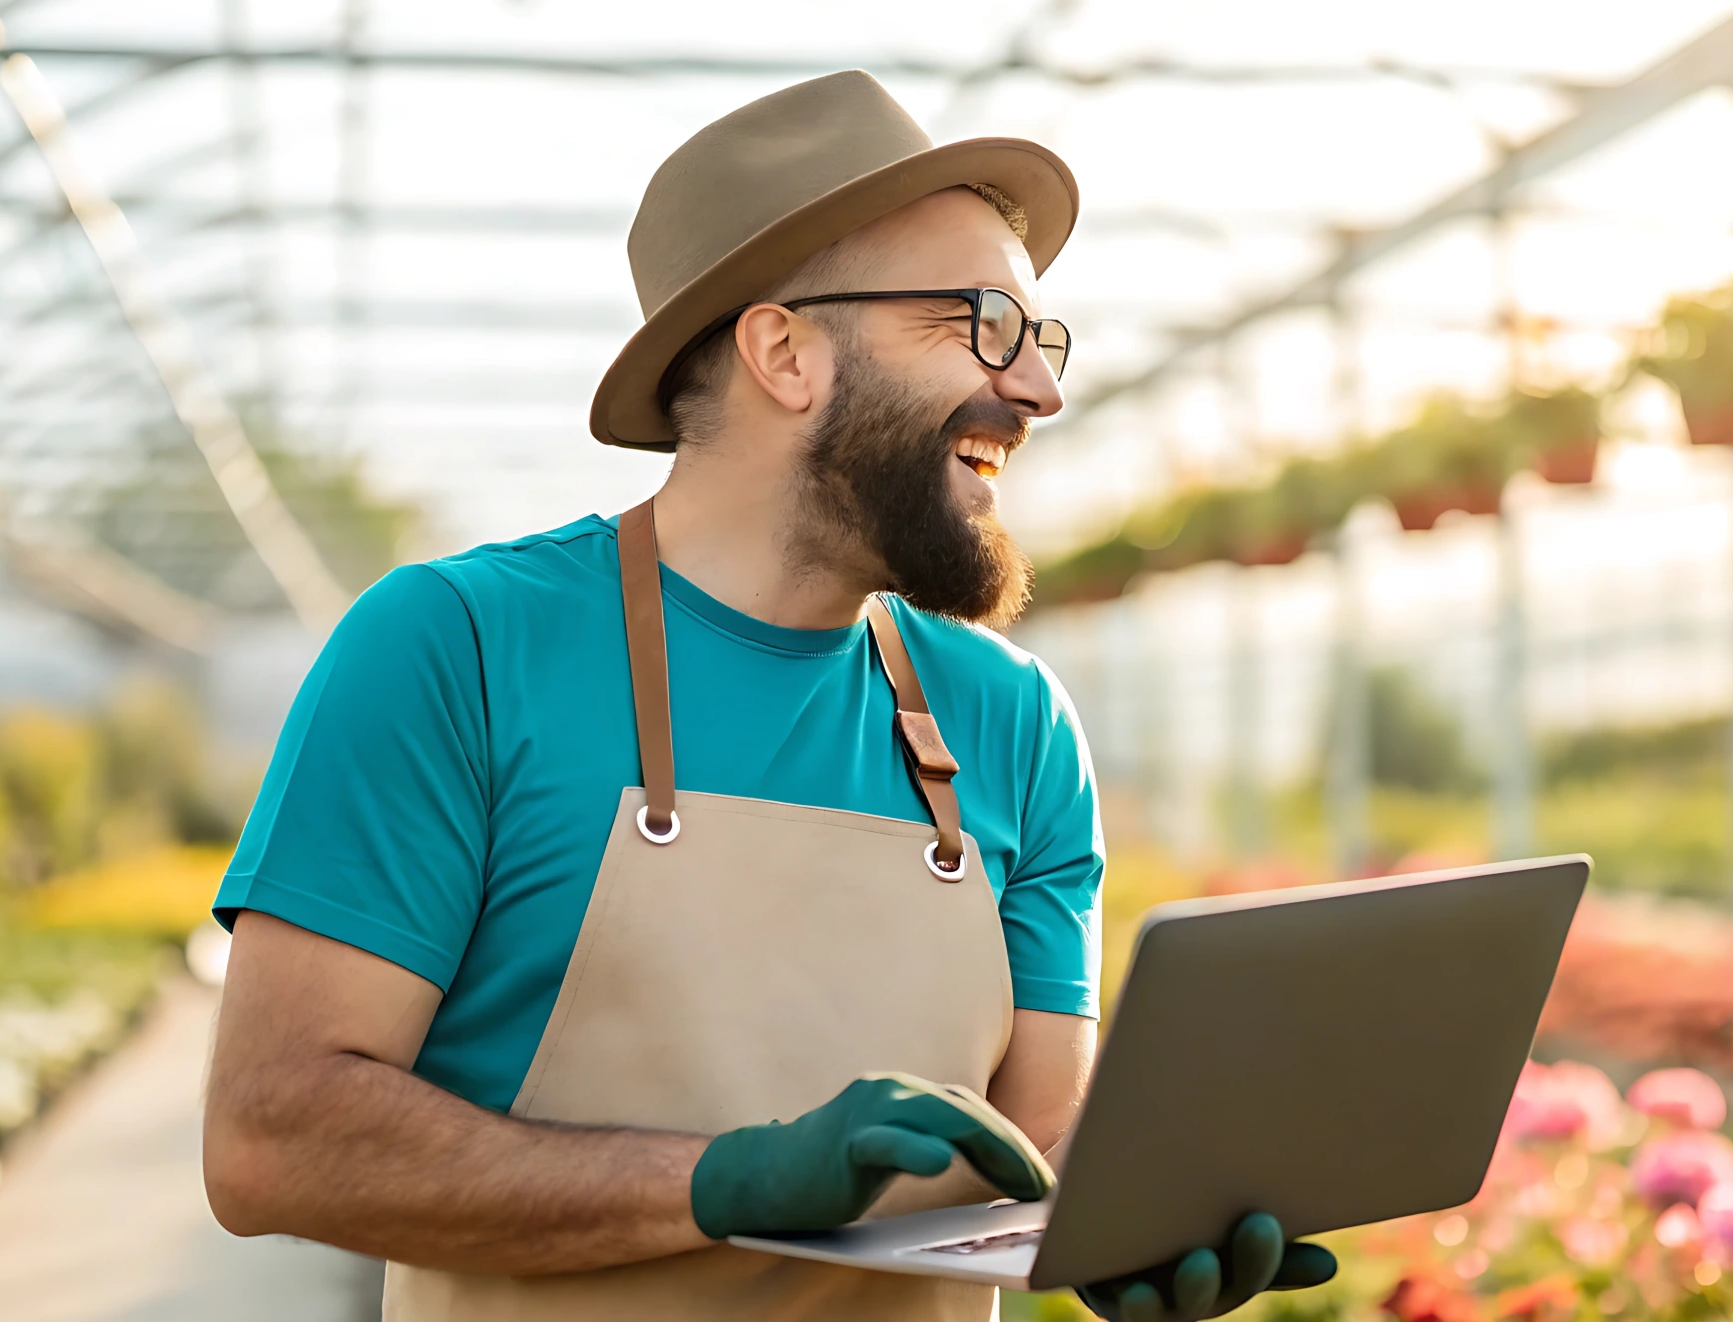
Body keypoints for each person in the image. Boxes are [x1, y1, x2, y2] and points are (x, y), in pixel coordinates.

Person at [200, 70, 1333, 1322]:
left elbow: (1040, 1142)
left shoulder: (1011, 721)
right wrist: (727, 1180)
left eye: (1041, 339)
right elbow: (272, 1138)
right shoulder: (457, 649)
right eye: (981, 325)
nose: (1037, 391)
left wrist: (1133, 1224)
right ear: (785, 352)